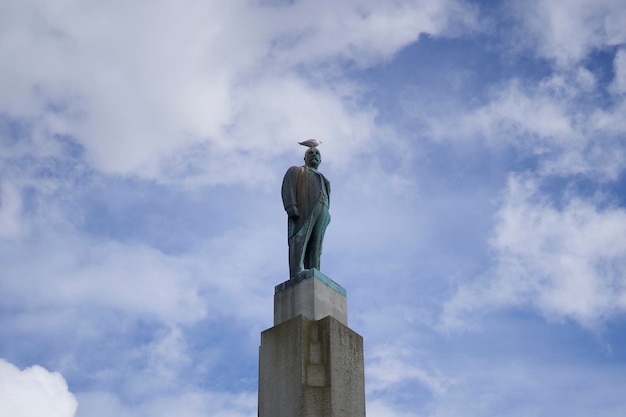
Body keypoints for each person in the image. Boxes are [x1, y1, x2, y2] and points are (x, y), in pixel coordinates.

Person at [281, 147, 331, 279]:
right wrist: (291, 206)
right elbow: (288, 188)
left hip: (322, 211)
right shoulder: (296, 170)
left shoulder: (325, 180)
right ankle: (297, 271)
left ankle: (315, 270)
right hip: (304, 210)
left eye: (317, 153)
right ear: (305, 158)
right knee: (300, 241)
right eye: (310, 153)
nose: (314, 155)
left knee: (317, 245)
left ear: (320, 159)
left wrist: (327, 215)